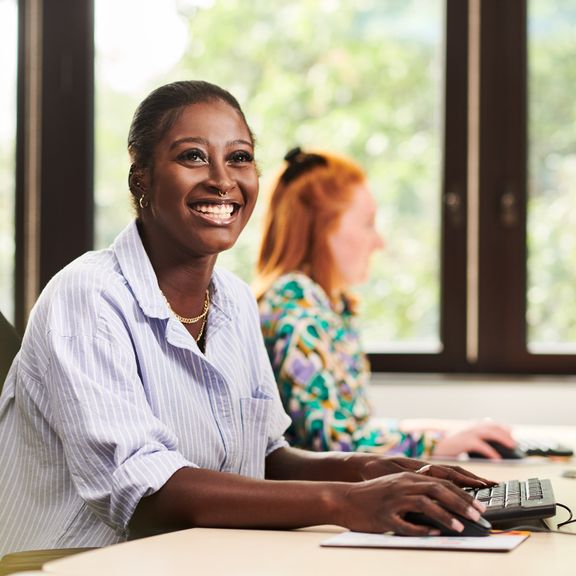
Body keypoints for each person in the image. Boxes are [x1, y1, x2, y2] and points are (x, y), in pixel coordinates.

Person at [0, 81, 490, 556]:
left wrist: (368, 470)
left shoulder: (232, 299)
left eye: (239, 157)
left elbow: (266, 456)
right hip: (74, 564)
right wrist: (345, 501)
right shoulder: (89, 295)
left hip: (197, 556)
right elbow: (147, 497)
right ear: (141, 179)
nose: (223, 179)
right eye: (193, 156)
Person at [254, 147, 517, 459]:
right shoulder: (295, 302)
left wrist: (444, 431)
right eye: (368, 223)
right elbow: (333, 445)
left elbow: (352, 428)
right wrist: (435, 443)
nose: (379, 241)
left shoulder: (328, 304)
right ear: (323, 229)